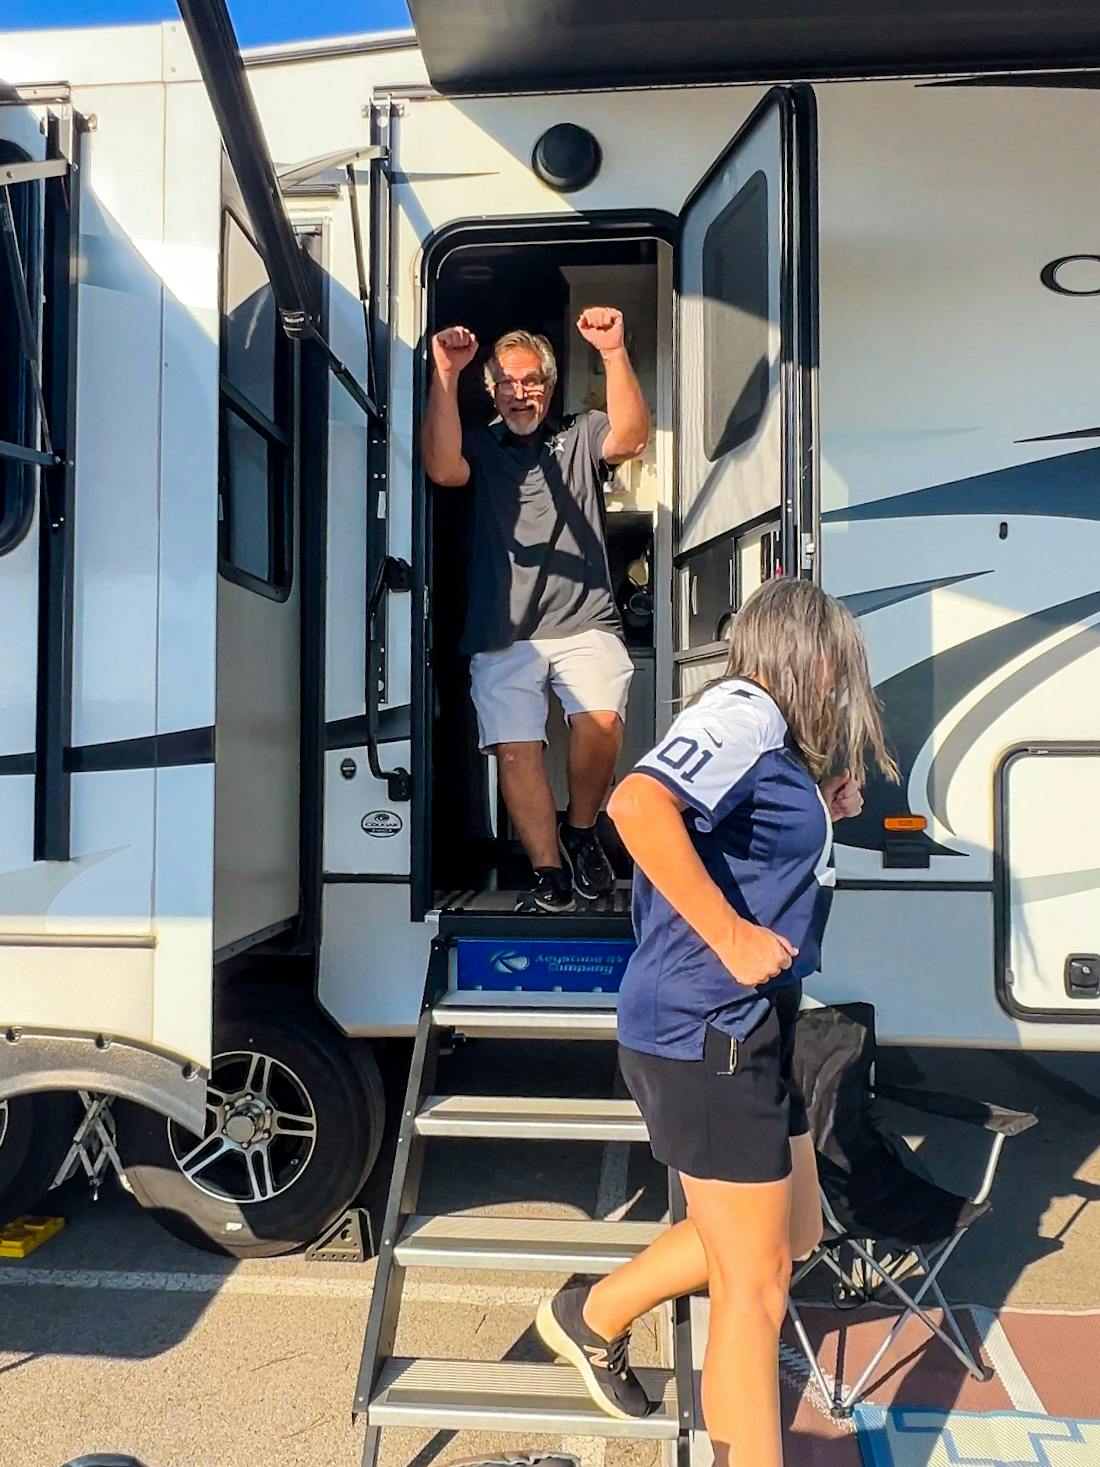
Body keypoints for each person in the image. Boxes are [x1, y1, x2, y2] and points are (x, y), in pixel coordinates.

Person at [536, 578, 898, 1467]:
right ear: (802, 655)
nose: (839, 682)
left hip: (754, 1025)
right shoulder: (742, 706)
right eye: (834, 664)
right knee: (758, 1281)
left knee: (797, 1233)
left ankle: (593, 1311)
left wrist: (825, 807)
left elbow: (743, 837)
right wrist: (734, 936)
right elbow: (635, 804)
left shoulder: (774, 739)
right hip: (707, 1031)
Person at [422, 309, 650, 912]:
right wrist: (445, 372)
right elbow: (443, 470)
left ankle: (581, 829)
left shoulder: (580, 433)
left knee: (601, 722)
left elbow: (630, 438)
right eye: (507, 382)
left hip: (584, 619)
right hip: (502, 629)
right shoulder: (480, 444)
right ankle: (548, 872)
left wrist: (613, 351)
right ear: (491, 389)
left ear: (549, 386)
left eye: (532, 381)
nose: (521, 392)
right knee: (517, 751)